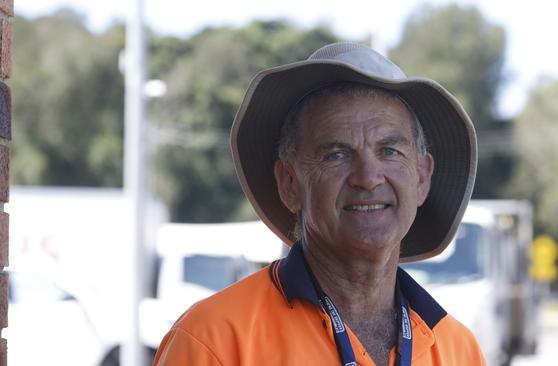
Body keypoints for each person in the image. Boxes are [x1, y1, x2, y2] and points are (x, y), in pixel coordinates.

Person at [153, 42, 484, 366]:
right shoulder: (215, 341)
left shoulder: (458, 350)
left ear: (422, 178)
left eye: (389, 151)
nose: (368, 178)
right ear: (290, 184)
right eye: (336, 155)